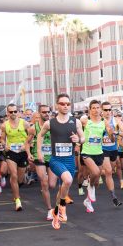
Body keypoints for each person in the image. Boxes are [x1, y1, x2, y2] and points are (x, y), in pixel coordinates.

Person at [37, 93, 80, 229]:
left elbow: (83, 138)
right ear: (57, 105)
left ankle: (55, 213)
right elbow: (40, 136)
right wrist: (39, 152)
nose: (65, 106)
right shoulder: (50, 123)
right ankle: (62, 207)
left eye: (68, 104)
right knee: (67, 180)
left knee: (63, 188)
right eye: (62, 103)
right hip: (56, 160)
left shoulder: (76, 121)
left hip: (70, 160)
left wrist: (78, 140)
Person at [1, 103, 34, 212]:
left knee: (20, 179)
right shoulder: (4, 125)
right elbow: (2, 139)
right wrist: (5, 146)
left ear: (18, 112)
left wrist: (27, 144)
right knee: (13, 175)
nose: (13, 114)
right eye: (11, 112)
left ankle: (16, 190)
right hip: (11, 152)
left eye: (15, 111)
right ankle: (18, 200)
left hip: (22, 152)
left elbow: (31, 135)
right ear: (7, 113)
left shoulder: (24, 123)